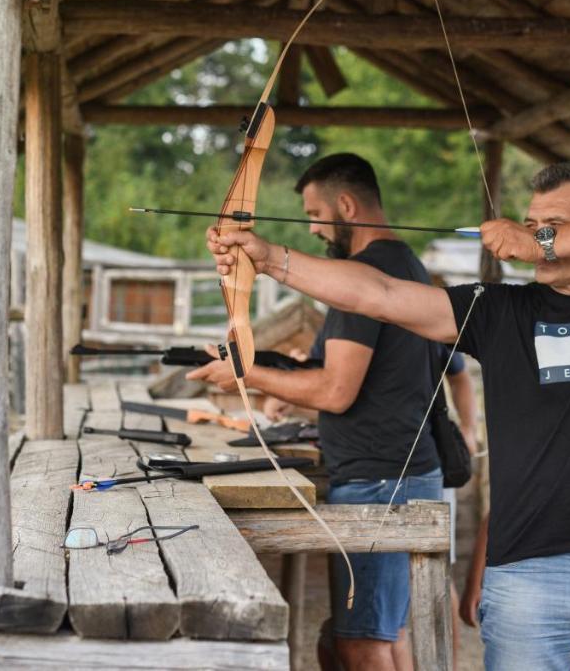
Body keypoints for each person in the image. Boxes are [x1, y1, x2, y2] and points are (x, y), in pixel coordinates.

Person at [206, 163, 570, 670]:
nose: (533, 233)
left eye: (554, 223)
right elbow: (380, 294)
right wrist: (269, 258)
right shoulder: (498, 309)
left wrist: (538, 244)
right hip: (530, 570)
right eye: (530, 223)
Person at [188, 153, 451, 671]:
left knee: (361, 643)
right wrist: (266, 369)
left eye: (313, 213)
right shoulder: (395, 266)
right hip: (392, 471)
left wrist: (243, 372)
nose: (309, 227)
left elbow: (335, 391)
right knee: (377, 634)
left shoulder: (369, 274)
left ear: (346, 205)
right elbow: (328, 370)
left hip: (382, 479)